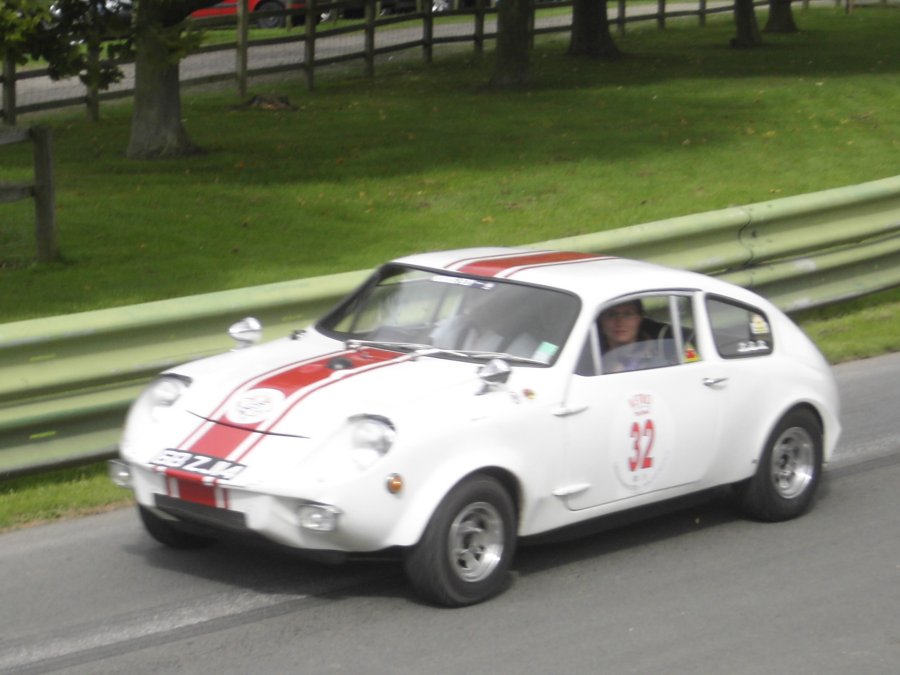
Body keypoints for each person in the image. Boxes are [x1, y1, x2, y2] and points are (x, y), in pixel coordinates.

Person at [599, 300, 663, 373]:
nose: (620, 321)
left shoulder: (656, 365)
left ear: (639, 319)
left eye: (628, 314)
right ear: (601, 320)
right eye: (611, 314)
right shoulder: (591, 358)